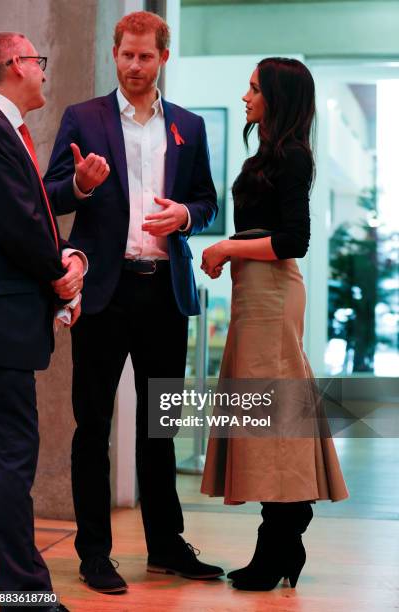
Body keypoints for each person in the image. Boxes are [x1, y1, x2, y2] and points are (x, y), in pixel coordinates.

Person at [44, 11, 222, 593]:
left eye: (146, 56)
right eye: (127, 56)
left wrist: (187, 217)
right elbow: (50, 196)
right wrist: (83, 186)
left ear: (162, 57)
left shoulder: (189, 127)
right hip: (103, 292)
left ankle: (167, 547)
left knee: (160, 428)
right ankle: (95, 553)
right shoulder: (83, 119)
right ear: (114, 55)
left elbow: (207, 202)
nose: (135, 66)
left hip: (163, 294)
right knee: (92, 426)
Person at [200, 57, 348, 591]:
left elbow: (294, 241)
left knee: (273, 418)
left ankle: (281, 537)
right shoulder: (270, 152)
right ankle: (281, 537)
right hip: (255, 294)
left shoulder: (290, 156)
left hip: (270, 292)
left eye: (254, 88)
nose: (245, 96)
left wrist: (225, 245)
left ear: (276, 99)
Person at [0, 31, 92, 612]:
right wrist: (61, 272)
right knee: (10, 458)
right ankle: (25, 591)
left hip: (7, 321)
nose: (44, 71)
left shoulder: (9, 131)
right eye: (37, 61)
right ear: (12, 65)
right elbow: (16, 219)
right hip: (1, 326)